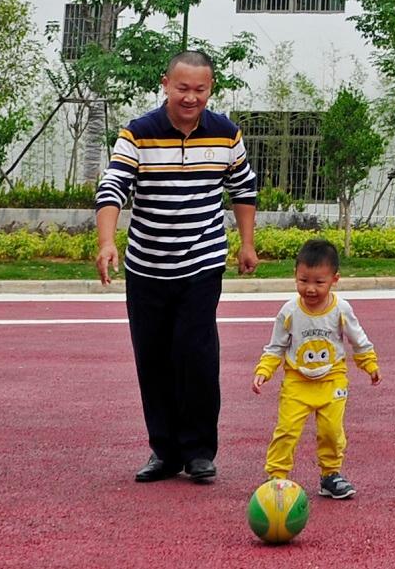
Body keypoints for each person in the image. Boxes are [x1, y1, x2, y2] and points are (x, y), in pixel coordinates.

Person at [95, 49, 259, 484]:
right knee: (153, 359)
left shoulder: (226, 133)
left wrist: (246, 244)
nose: (191, 98)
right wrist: (107, 242)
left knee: (197, 355)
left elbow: (243, 188)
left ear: (211, 89)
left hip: (202, 262)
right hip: (147, 267)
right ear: (166, 83)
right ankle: (164, 452)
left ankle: (200, 451)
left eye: (200, 90)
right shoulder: (139, 133)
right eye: (182, 88)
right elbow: (113, 186)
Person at [252, 238, 381, 500]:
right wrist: (264, 370)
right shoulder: (289, 311)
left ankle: (330, 475)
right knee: (286, 430)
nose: (310, 289)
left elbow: (358, 339)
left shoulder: (341, 309)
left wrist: (369, 364)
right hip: (297, 382)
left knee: (332, 432)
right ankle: (276, 476)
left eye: (319, 282)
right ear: (295, 276)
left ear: (335, 279)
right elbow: (276, 346)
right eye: (303, 280)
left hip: (332, 380)